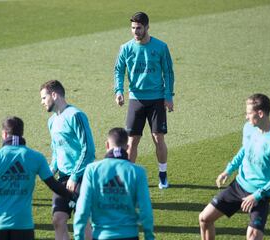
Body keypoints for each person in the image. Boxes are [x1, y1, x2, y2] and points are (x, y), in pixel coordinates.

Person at [0, 116, 76, 240]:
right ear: (22, 133)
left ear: (4, 134)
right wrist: (73, 196)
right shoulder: (36, 157)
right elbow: (54, 185)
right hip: (23, 223)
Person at [199, 93, 270, 240]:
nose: (246, 117)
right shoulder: (249, 128)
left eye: (248, 113)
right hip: (239, 186)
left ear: (260, 113)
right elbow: (245, 150)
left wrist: (257, 195)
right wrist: (228, 170)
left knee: (252, 237)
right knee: (204, 218)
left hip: (260, 194)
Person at [114, 12, 175, 189]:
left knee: (158, 138)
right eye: (133, 28)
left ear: (147, 27)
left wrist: (168, 96)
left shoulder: (161, 47)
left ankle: (163, 175)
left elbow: (168, 72)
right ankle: (128, 176)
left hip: (156, 98)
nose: (135, 31)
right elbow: (118, 70)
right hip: (136, 99)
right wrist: (119, 91)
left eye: (139, 28)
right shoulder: (126, 48)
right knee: (132, 141)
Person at [73, 127, 155, 240]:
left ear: (107, 145)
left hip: (101, 235)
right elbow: (146, 210)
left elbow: (82, 208)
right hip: (129, 235)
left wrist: (78, 236)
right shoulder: (138, 172)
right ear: (127, 147)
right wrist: (149, 236)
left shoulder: (92, 170)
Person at [40, 80, 96, 240]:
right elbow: (56, 150)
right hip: (62, 180)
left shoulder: (76, 115)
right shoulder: (51, 121)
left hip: (82, 177)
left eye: (44, 98)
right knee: (58, 220)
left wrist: (74, 176)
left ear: (54, 95)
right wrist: (51, 170)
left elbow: (89, 150)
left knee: (83, 222)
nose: (42, 102)